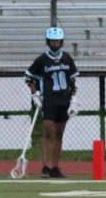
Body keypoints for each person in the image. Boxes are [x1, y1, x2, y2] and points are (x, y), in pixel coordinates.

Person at [24, 27, 81, 178]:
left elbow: (73, 81)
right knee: (48, 131)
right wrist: (35, 94)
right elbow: (29, 78)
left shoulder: (67, 58)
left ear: (61, 42)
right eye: (52, 41)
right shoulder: (42, 60)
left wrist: (74, 99)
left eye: (57, 41)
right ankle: (45, 167)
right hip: (49, 100)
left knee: (59, 133)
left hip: (64, 100)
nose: (55, 44)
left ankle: (55, 167)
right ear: (48, 42)